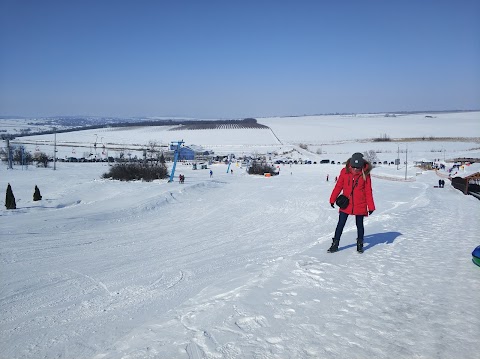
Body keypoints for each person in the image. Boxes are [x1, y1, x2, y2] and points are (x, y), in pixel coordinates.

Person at [328, 152, 375, 253]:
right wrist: (332, 199)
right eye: (353, 167)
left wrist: (370, 206)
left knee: (359, 224)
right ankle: (335, 244)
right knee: (341, 224)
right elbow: (338, 186)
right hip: (346, 203)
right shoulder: (344, 172)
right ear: (350, 165)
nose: (355, 169)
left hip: (360, 203)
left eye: (358, 168)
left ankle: (360, 244)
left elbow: (368, 191)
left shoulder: (365, 174)